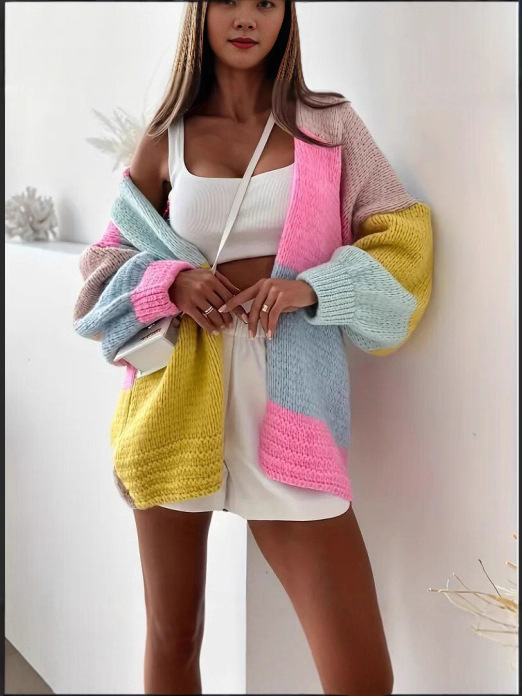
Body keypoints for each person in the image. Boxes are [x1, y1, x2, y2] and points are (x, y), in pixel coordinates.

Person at [73, 1, 433, 693]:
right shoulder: (167, 136)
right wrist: (169, 283)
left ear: (286, 16)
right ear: (202, 13)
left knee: (362, 676)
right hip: (175, 408)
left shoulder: (329, 126)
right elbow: (101, 271)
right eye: (230, 1)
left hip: (288, 405)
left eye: (266, 2)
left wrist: (317, 288)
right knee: (174, 638)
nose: (246, 18)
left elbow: (404, 236)